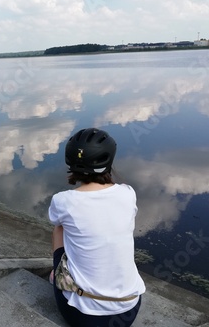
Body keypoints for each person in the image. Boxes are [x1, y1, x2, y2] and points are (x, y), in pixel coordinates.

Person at [48, 128, 145, 327]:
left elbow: (58, 225)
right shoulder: (128, 193)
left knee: (60, 228)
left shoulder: (63, 201)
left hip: (84, 316)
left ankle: (56, 273)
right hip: (129, 308)